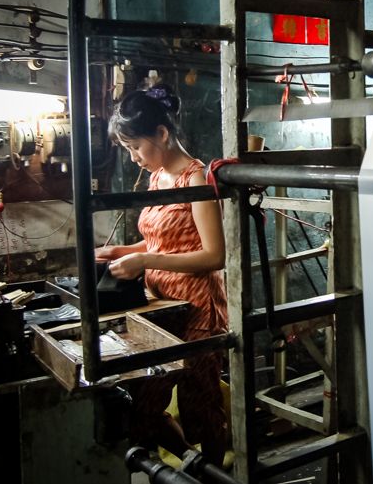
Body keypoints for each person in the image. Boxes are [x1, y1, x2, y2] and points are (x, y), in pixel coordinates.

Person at [95, 84, 229, 464]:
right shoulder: (157, 178)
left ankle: (214, 474)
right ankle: (191, 465)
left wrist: (145, 262)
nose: (135, 158)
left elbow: (213, 255)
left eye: (136, 147)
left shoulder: (196, 179)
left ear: (162, 134)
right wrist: (122, 251)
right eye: (128, 150)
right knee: (144, 407)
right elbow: (158, 241)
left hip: (198, 312)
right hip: (162, 308)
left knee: (201, 409)